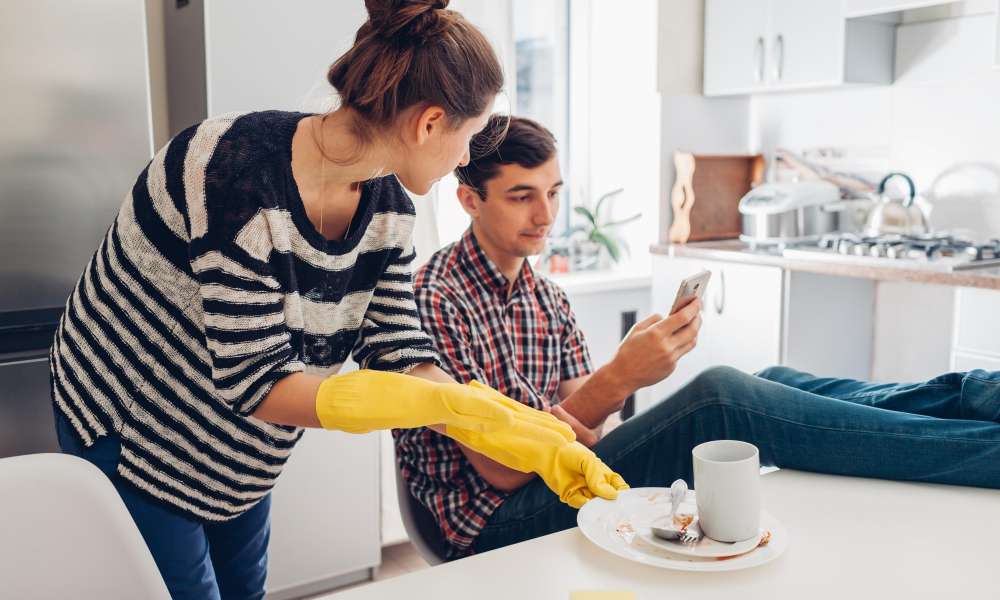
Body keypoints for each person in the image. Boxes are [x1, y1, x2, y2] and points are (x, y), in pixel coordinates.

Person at [47, 4, 624, 598]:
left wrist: (520, 430)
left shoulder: (390, 211)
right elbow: (257, 384)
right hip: (131, 424)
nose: (463, 160)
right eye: (470, 138)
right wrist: (441, 407)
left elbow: (401, 352)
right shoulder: (232, 174)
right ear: (429, 124)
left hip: (241, 447)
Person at [394, 114, 1000, 558]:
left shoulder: (543, 295)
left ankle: (978, 394)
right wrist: (620, 378)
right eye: (522, 197)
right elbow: (504, 470)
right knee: (722, 399)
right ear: (469, 199)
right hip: (491, 524)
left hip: (568, 478)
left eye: (553, 193)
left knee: (772, 383)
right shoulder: (435, 297)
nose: (546, 216)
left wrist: (606, 390)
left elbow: (590, 431)